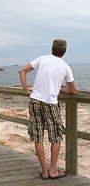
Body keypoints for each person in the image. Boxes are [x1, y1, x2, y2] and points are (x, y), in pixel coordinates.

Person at [19, 39, 76, 180]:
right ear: (64, 51)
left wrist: (27, 90)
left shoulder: (42, 59)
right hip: (51, 103)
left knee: (38, 136)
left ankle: (44, 171)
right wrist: (59, 89)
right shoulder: (65, 67)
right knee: (55, 137)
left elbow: (22, 71)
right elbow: (72, 90)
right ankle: (53, 171)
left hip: (35, 101)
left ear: (52, 48)